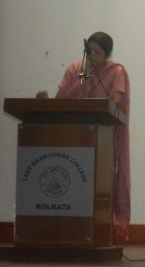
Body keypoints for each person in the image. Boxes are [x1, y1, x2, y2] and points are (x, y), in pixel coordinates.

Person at [36, 31, 131, 242]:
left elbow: (115, 102)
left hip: (102, 137)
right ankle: (67, 230)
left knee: (96, 184)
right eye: (91, 50)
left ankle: (98, 232)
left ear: (107, 54)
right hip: (72, 137)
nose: (93, 55)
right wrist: (46, 102)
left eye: (99, 52)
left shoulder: (116, 72)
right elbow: (60, 99)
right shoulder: (75, 69)